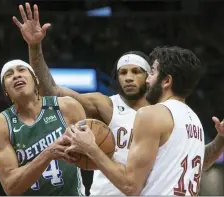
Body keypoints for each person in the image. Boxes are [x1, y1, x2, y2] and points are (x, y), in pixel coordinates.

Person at [12, 3, 224, 195]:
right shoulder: (189, 118)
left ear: (163, 79)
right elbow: (53, 92)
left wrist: (91, 148)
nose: (130, 77)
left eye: (141, 72)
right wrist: (34, 47)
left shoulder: (156, 114)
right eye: (123, 72)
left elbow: (133, 185)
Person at [65, 46, 224, 195]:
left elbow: (130, 186)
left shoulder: (152, 114)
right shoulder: (194, 120)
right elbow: (204, 162)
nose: (148, 80)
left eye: (153, 72)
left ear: (166, 81)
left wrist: (91, 148)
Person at [0, 59, 86, 196]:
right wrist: (48, 153)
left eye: (21, 70)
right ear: (5, 91)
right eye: (9, 75)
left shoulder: (67, 107)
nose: (16, 75)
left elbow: (91, 157)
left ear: (36, 80)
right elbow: (11, 187)